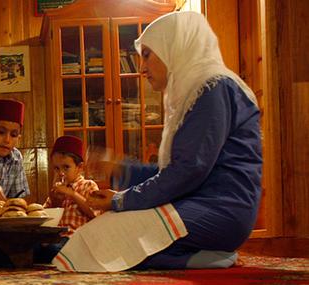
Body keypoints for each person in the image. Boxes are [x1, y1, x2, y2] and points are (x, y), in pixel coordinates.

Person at [85, 11, 262, 269]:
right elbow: (175, 172)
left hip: (223, 211)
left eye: (147, 55)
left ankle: (201, 259)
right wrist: (121, 169)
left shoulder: (213, 87)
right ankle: (199, 257)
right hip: (197, 205)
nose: (142, 68)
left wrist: (120, 200)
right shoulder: (196, 90)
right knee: (101, 234)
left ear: (174, 48)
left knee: (107, 237)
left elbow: (189, 171)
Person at [44, 135, 99, 236]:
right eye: (57, 168)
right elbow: (44, 218)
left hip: (75, 240)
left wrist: (72, 194)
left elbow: (94, 213)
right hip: (55, 238)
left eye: (66, 167)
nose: (61, 173)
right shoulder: (57, 190)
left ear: (80, 167)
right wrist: (55, 202)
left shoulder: (88, 185)